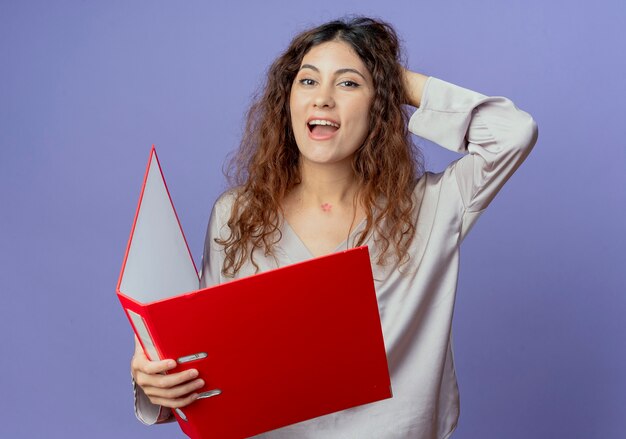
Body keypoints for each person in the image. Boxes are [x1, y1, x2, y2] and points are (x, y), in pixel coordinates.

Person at [130, 16, 538, 439]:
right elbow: (207, 368)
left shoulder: (431, 207)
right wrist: (155, 380)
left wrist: (389, 74)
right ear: (286, 100)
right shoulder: (237, 214)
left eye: (348, 84)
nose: (323, 98)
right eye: (307, 81)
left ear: (380, 103)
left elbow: (512, 133)